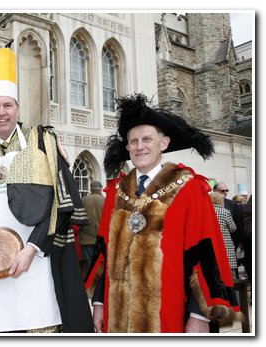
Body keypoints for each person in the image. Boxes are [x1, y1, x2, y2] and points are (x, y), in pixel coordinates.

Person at [0, 47, 94, 333]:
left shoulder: (42, 143)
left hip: (35, 260)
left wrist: (32, 248)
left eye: (7, 105)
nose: (1, 112)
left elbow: (58, 203)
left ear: (17, 107)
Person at [85, 93, 242, 333]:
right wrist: (98, 303)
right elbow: (104, 252)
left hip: (169, 312)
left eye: (147, 139)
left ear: (164, 143)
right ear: (127, 147)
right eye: (134, 141)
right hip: (118, 316)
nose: (140, 147)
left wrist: (199, 314)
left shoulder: (188, 188)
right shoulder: (116, 193)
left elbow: (204, 253)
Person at [79, 181, 105, 276]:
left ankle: (88, 286)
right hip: (101, 239)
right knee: (100, 264)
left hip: (86, 238)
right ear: (100, 188)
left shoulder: (83, 200)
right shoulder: (105, 200)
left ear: (91, 189)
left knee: (88, 265)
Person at [209, 192, 238, 278]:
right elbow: (233, 228)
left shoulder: (206, 212)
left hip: (211, 244)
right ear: (220, 201)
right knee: (229, 273)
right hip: (226, 245)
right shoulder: (225, 212)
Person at [213, 181, 245, 248]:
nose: (225, 192)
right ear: (215, 191)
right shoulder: (208, 204)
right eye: (222, 190)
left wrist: (240, 241)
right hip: (213, 240)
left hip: (230, 240)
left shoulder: (233, 204)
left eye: (226, 190)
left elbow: (239, 223)